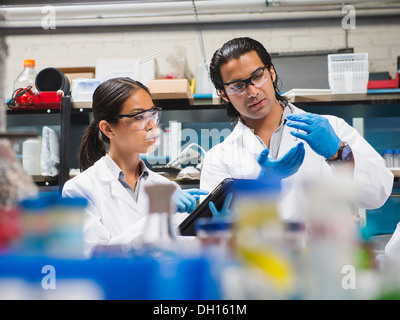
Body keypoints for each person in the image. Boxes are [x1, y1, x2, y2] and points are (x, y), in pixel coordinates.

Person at [200, 37, 393, 221]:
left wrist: (339, 152)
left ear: (272, 73)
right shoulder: (219, 158)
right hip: (258, 255)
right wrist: (260, 188)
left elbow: (378, 194)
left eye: (258, 77)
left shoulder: (332, 128)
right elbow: (208, 232)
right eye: (237, 86)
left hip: (325, 253)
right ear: (223, 94)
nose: (252, 92)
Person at [62, 77, 207, 256]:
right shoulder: (78, 190)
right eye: (139, 117)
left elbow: (183, 251)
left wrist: (208, 225)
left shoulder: (167, 188)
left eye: (152, 114)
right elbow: (95, 257)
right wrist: (159, 214)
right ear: (108, 129)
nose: (152, 125)